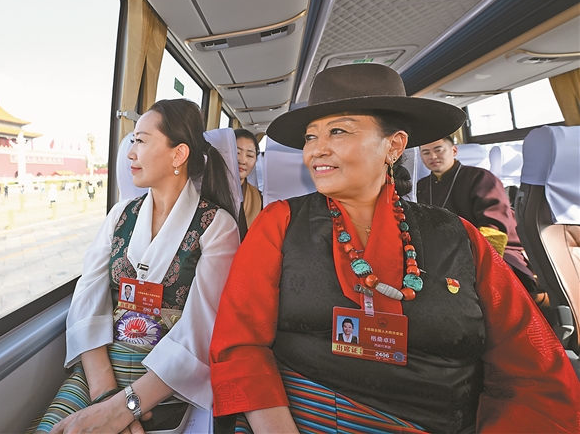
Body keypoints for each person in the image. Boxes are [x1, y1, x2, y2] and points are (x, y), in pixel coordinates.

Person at [209, 64, 579, 433]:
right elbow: (238, 343)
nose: (316, 150)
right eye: (310, 137)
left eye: (337, 131)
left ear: (394, 145)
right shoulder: (280, 222)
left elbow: (533, 370)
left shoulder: (459, 236)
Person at [32, 99, 240, 434]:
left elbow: (200, 331)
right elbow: (87, 300)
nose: (130, 153)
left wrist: (124, 408)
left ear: (178, 154)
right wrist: (105, 396)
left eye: (141, 141)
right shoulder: (120, 215)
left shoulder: (217, 226)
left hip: (165, 384)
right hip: (99, 374)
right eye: (132, 141)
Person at [417, 136, 536, 292]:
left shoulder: (480, 177)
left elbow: (494, 228)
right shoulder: (422, 186)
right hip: (443, 254)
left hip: (487, 250)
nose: (432, 156)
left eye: (438, 150)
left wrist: (470, 259)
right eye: (426, 153)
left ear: (454, 150)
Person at [234, 129, 262, 240]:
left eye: (250, 155)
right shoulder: (206, 190)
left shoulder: (259, 199)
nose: (242, 160)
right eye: (237, 152)